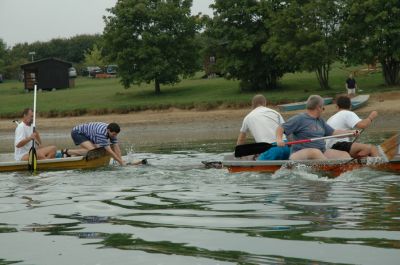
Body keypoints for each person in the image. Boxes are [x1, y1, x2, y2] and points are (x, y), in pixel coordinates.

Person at [276, 95, 356, 160]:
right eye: (323, 108)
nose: (323, 110)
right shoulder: (300, 119)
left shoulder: (320, 121)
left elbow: (334, 132)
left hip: (321, 152)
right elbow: (281, 128)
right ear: (318, 107)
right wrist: (279, 140)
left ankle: (345, 172)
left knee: (344, 155)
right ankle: (329, 170)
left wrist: (351, 133)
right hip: (299, 154)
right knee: (315, 152)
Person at [237, 94, 290, 160]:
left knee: (260, 170)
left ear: (252, 104)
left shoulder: (248, 117)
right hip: (285, 147)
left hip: (270, 150)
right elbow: (286, 130)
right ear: (265, 103)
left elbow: (241, 139)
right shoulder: (275, 113)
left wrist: (238, 153)